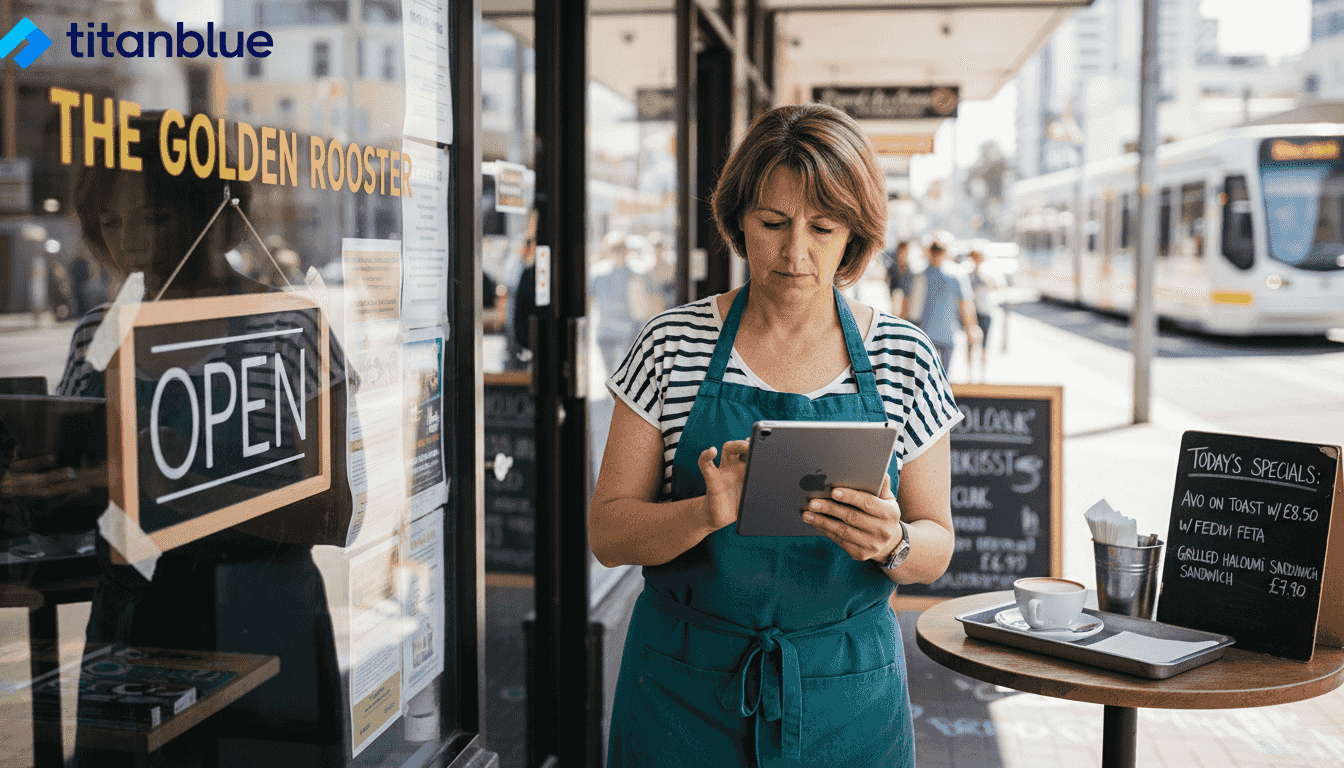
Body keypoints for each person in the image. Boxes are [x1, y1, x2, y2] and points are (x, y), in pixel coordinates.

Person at [592, 103, 959, 768]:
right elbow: (610, 533)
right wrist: (705, 512)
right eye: (773, 223)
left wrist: (894, 539)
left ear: (856, 234)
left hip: (849, 700)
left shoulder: (904, 356)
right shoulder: (671, 344)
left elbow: (936, 545)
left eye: (823, 227)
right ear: (738, 221)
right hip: (681, 692)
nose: (796, 252)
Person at [2, 114, 349, 764]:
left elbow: (332, 513)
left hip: (263, 616)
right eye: (112, 223)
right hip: (134, 622)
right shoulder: (99, 333)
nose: (132, 242)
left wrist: (175, 487)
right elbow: (82, 492)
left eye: (155, 218)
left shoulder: (289, 328)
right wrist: (40, 489)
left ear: (212, 212)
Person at [904, 234, 981, 376]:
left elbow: (905, 303)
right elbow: (966, 305)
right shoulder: (957, 274)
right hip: (944, 335)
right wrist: (971, 328)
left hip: (922, 334)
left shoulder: (917, 272)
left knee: (921, 379)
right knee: (942, 379)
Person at [964, 248, 1004, 382]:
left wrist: (983, 277)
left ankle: (982, 375)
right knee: (970, 343)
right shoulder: (966, 272)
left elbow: (998, 286)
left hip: (985, 311)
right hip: (971, 312)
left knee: (985, 344)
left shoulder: (989, 271)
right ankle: (969, 374)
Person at [887, 239, 912, 317]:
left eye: (905, 252)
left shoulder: (910, 271)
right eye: (901, 252)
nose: (903, 254)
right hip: (893, 306)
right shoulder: (892, 269)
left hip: (906, 308)